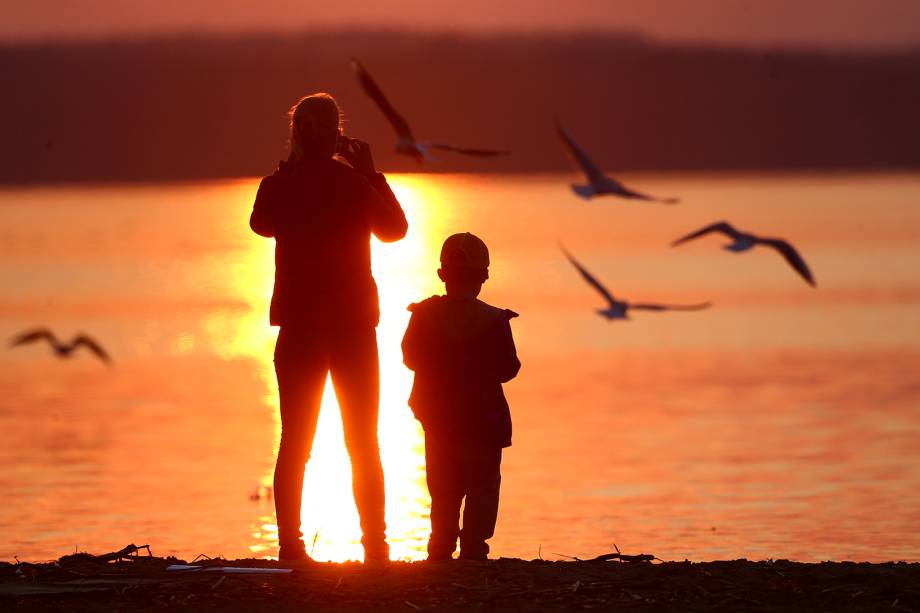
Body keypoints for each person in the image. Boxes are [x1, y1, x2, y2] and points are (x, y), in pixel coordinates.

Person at [249, 93, 407, 563]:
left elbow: (260, 223)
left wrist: (290, 168)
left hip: (299, 331)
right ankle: (375, 547)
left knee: (295, 441)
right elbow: (395, 229)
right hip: (352, 329)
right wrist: (370, 172)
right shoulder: (353, 185)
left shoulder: (279, 187)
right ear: (338, 136)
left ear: (296, 134)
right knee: (363, 441)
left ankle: (290, 547)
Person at [401, 232, 521, 561]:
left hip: (439, 423)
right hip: (484, 425)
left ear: (442, 275)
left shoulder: (423, 314)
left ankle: (439, 550)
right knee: (482, 488)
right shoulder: (495, 320)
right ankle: (473, 551)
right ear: (483, 277)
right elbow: (509, 369)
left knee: (442, 489)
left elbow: (409, 357)